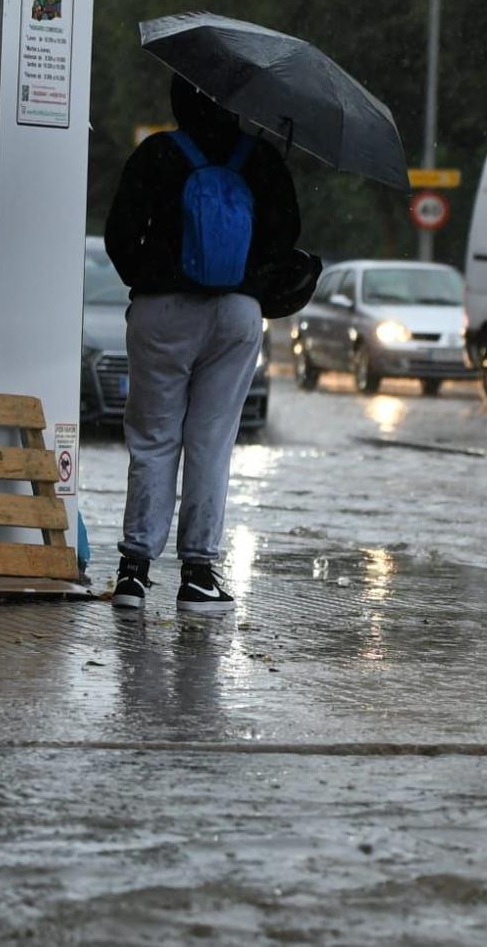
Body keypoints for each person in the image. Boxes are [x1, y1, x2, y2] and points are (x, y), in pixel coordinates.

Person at [105, 76, 299, 616]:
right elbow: (286, 244)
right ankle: (198, 576)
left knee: (153, 437)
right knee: (212, 439)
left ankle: (134, 574)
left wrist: (154, 277)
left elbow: (120, 235)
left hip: (161, 309)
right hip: (237, 312)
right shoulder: (260, 159)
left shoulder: (156, 154)